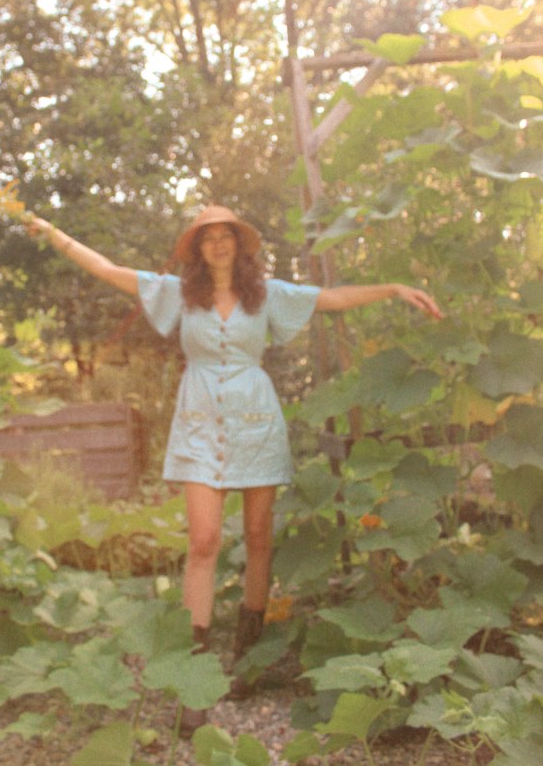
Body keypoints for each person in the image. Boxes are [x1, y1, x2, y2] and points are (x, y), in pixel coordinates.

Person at [27, 205, 443, 735]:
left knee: (258, 536)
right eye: (209, 238)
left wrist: (393, 289)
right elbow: (109, 270)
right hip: (199, 422)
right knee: (202, 542)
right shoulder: (179, 294)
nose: (219, 244)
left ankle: (248, 657)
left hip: (256, 422)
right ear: (198, 250)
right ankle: (194, 678)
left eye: (227, 236)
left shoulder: (265, 295)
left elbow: (329, 299)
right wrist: (53, 234)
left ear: (239, 246)